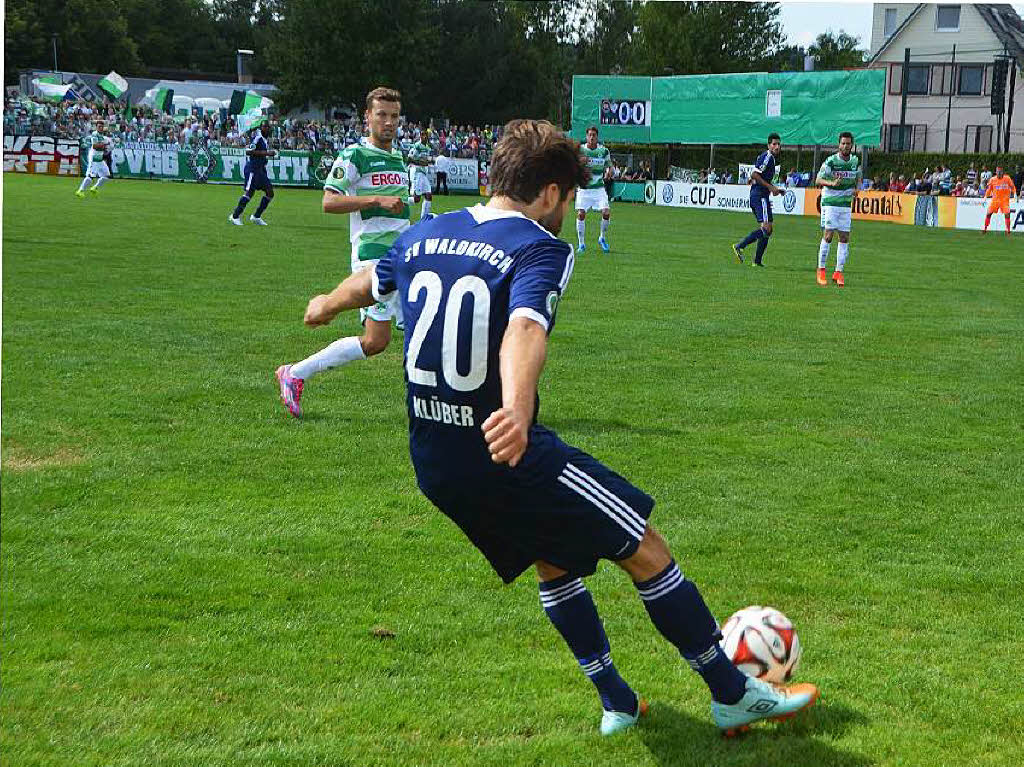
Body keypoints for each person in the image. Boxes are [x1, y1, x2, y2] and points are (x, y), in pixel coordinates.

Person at [300, 118, 820, 737]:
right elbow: (525, 327)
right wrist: (518, 410)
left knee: (552, 559)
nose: (563, 210)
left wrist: (329, 301)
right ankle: (733, 692)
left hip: (435, 462)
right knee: (645, 546)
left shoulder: (425, 234)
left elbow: (375, 278)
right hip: (504, 448)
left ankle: (618, 702)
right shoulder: (540, 248)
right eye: (567, 197)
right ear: (549, 192)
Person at [275, 86, 409, 418]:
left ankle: (294, 373)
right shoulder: (354, 155)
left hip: (403, 256)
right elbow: (329, 201)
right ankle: (295, 373)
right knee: (400, 334)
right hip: (372, 259)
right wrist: (375, 200)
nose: (389, 122)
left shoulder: (398, 155)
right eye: (382, 115)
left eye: (394, 116)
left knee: (379, 341)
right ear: (368, 117)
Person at [815, 131, 862, 287]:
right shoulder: (831, 161)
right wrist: (831, 183)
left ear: (852, 145)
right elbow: (818, 179)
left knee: (844, 238)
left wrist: (857, 188)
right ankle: (821, 271)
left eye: (848, 143)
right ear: (839, 144)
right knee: (828, 236)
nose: (845, 146)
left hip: (845, 204)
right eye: (843, 143)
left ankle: (838, 272)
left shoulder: (855, 161)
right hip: (830, 202)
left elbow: (858, 177)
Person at [732, 132, 783, 267]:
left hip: (760, 195)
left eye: (779, 144)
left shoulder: (769, 158)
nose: (777, 146)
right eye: (774, 144)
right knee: (766, 228)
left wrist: (774, 188)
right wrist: (771, 188)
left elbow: (758, 176)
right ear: (769, 145)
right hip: (759, 196)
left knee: (768, 229)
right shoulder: (768, 157)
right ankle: (740, 246)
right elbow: (754, 174)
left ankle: (757, 262)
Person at [228, 123, 276, 226]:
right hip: (252, 169)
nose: (266, 128)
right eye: (264, 126)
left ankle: (256, 216)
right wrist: (266, 153)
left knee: (270, 192)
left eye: (268, 127)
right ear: (260, 128)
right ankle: (235, 216)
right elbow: (249, 151)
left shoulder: (264, 139)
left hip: (260, 170)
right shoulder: (258, 138)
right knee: (249, 193)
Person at [575, 125, 612, 253]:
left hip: (599, 188)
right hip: (584, 188)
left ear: (597, 137)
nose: (591, 137)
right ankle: (581, 244)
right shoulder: (580, 150)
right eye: (589, 135)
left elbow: (609, 166)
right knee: (581, 214)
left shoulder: (604, 151)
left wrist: (608, 172)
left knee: (606, 212)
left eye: (594, 135)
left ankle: (602, 237)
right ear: (586, 136)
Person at [75, 119, 111, 198]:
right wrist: (105, 145)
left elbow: (102, 147)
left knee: (106, 175)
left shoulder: (102, 136)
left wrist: (106, 148)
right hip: (94, 159)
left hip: (100, 159)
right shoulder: (95, 134)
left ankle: (95, 188)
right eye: (99, 126)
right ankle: (80, 190)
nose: (100, 128)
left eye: (102, 126)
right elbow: (95, 146)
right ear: (96, 127)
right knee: (90, 176)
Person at [982, 165, 1018, 236]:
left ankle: (1008, 231)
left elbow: (1012, 187)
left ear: (1002, 172)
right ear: (996, 172)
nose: (999, 173)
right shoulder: (992, 179)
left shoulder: (1007, 178)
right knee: (988, 214)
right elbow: (989, 190)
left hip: (1004, 200)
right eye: (997, 172)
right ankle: (985, 228)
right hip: (995, 200)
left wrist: (1015, 194)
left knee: (1007, 214)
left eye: (1000, 172)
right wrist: (985, 197)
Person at [407, 132, 435, 220]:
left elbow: (426, 160)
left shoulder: (427, 147)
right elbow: (410, 159)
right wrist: (422, 163)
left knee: (428, 195)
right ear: (420, 136)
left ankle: (423, 221)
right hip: (417, 172)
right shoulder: (417, 146)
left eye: (426, 135)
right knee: (417, 199)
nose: (425, 137)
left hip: (423, 173)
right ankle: (402, 200)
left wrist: (429, 162)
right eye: (423, 135)